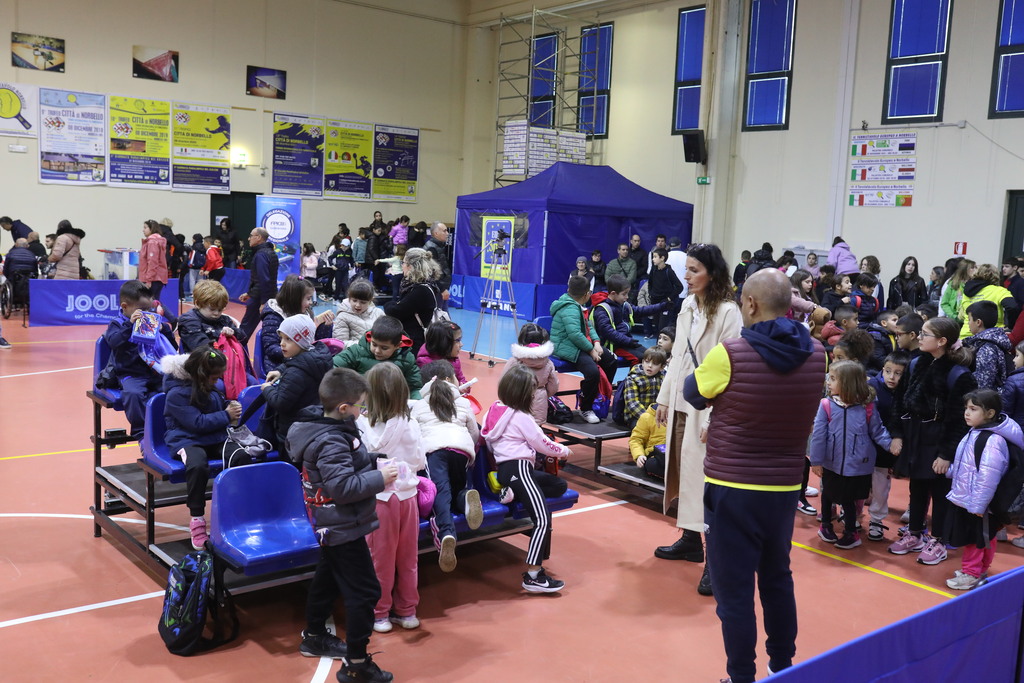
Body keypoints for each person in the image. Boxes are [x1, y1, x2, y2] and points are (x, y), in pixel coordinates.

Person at [683, 268, 826, 683]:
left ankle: (741, 675)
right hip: (784, 487)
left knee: (734, 590)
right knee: (777, 577)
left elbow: (693, 393)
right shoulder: (818, 354)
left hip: (733, 487)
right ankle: (782, 667)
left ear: (750, 304)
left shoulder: (729, 353)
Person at [287, 367, 396, 682]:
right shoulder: (331, 439)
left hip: (333, 522)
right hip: (340, 524)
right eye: (361, 405)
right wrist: (380, 478)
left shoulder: (333, 428)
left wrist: (372, 459)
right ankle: (356, 664)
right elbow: (342, 487)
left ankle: (314, 635)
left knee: (328, 577)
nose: (363, 410)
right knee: (366, 591)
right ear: (344, 407)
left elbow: (343, 468)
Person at [652, 243, 741, 595]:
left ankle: (714, 562)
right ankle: (690, 540)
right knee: (683, 472)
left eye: (694, 270)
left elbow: (731, 368)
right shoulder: (688, 305)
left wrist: (715, 415)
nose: (686, 276)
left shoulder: (729, 312)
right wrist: (664, 397)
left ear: (713, 274)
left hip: (707, 405)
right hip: (681, 400)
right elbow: (677, 355)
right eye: (686, 269)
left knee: (705, 481)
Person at [887, 317, 977, 564]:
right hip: (915, 436)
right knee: (916, 487)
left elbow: (960, 421)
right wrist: (897, 433)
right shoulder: (916, 364)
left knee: (940, 492)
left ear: (942, 341)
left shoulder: (959, 375)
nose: (919, 337)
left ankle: (938, 540)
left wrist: (946, 454)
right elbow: (899, 401)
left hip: (939, 441)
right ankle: (915, 533)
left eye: (925, 334)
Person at [482, 364, 572, 593]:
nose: (533, 394)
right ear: (522, 393)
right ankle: (533, 576)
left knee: (559, 485)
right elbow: (542, 443)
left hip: (508, 470)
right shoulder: (521, 417)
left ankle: (512, 492)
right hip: (519, 469)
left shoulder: (495, 409)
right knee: (542, 520)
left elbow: (489, 443)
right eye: (531, 390)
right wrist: (564, 451)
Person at [359, 363, 425, 633]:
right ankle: (407, 611)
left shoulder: (361, 424)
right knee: (408, 558)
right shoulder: (411, 423)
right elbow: (419, 461)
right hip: (408, 498)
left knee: (380, 559)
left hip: (379, 500)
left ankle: (380, 613)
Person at [161, 348, 242, 549]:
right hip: (186, 439)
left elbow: (214, 408)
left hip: (214, 437)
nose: (218, 381)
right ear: (200, 375)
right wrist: (226, 415)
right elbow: (196, 423)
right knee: (197, 466)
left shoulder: (210, 386)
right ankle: (197, 519)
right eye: (214, 377)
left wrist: (229, 406)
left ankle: (237, 511)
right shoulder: (176, 394)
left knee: (241, 456)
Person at [810, 360, 894, 549]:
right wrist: (816, 460)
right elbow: (818, 436)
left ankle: (851, 532)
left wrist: (891, 445)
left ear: (848, 383)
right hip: (831, 462)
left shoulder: (867, 407)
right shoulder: (826, 405)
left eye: (833, 378)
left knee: (849, 499)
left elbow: (877, 431)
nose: (828, 382)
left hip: (857, 464)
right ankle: (826, 526)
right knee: (827, 494)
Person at [944, 389, 1023, 589]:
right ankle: (980, 569)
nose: (966, 413)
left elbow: (988, 476)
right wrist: (951, 471)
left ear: (990, 413)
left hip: (979, 502)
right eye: (966, 408)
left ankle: (971, 573)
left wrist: (978, 505)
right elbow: (968, 464)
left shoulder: (992, 440)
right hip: (975, 498)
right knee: (986, 535)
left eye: (973, 409)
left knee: (975, 538)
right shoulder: (977, 432)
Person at [412, 360, 483, 572]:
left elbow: (413, 434)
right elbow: (475, 433)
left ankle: (446, 533)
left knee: (440, 492)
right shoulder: (463, 402)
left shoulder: (418, 405)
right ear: (450, 379)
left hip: (435, 451)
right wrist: (469, 451)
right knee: (458, 488)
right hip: (461, 450)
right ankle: (466, 498)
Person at [103, 281, 175, 437]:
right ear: (125, 306)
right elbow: (113, 342)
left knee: (172, 390)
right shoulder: (118, 324)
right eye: (142, 310)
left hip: (155, 372)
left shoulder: (151, 322)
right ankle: (142, 433)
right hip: (131, 374)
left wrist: (165, 330)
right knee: (133, 395)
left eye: (149, 309)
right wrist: (130, 325)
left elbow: (172, 347)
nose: (147, 313)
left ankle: (169, 428)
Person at [262, 314, 336, 460]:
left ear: (302, 341)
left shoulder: (296, 373)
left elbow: (280, 403)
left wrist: (267, 389)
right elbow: (300, 362)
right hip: (313, 428)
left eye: (288, 339)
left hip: (291, 434)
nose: (282, 344)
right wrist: (281, 370)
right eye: (281, 338)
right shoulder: (319, 356)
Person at [550, 275, 618, 424]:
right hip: (566, 347)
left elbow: (588, 327)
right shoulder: (570, 308)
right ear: (587, 294)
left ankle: (598, 395)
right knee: (592, 372)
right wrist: (591, 350)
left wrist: (597, 343)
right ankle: (586, 407)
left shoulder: (577, 305)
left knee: (611, 360)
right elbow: (575, 335)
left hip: (579, 344)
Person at [866, 352, 910, 541]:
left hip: (886, 449)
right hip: (866, 445)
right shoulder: (872, 387)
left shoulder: (906, 393)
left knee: (880, 486)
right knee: (857, 483)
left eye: (898, 373)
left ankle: (876, 520)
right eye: (888, 371)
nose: (892, 377)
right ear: (882, 369)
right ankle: (850, 514)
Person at [333, 315, 424, 398]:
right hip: (360, 401)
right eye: (374, 344)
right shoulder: (356, 351)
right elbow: (333, 367)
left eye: (384, 348)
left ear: (398, 345)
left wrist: (416, 403)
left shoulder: (406, 359)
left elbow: (415, 387)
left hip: (391, 404)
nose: (377, 351)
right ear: (370, 337)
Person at [260, 276, 334, 376]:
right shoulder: (274, 316)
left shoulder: (306, 313)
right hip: (278, 365)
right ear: (295, 299)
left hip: (304, 360)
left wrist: (325, 326)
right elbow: (271, 348)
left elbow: (314, 340)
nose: (311, 302)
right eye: (308, 298)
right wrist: (301, 354)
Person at [591, 274, 665, 366]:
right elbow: (608, 332)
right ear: (613, 293)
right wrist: (628, 341)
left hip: (625, 342)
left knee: (649, 355)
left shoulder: (623, 305)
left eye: (627, 293)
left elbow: (640, 310)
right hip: (613, 345)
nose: (627, 297)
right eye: (624, 294)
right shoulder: (602, 309)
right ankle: (633, 376)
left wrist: (662, 306)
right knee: (639, 359)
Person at [385, 247, 443, 354]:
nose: (402, 265)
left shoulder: (420, 290)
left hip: (413, 341)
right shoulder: (428, 284)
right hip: (415, 336)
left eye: (403, 262)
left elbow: (396, 312)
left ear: (411, 266)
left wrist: (389, 304)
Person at [504, 322, 559, 424]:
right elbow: (553, 386)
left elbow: (504, 383)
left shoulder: (514, 361)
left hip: (516, 400)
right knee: (536, 428)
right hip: (539, 401)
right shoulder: (548, 363)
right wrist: (543, 394)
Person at [176, 280, 247, 353]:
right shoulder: (188, 320)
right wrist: (220, 334)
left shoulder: (224, 320)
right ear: (198, 304)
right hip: (199, 358)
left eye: (220, 309)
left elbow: (243, 339)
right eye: (212, 309)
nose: (216, 313)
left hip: (223, 357)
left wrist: (233, 332)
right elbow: (200, 346)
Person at [238, 228, 279, 342]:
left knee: (244, 331)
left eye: (251, 236)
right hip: (269, 296)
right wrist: (249, 293)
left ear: (259, 237)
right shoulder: (271, 253)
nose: (248, 238)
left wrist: (263, 302)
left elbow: (264, 280)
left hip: (260, 299)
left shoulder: (261, 255)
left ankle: (237, 350)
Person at [962, 300, 1012, 390]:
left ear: (978, 322)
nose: (968, 323)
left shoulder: (987, 348)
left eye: (969, 320)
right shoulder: (990, 340)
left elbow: (983, 385)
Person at [957, 264, 1018, 337]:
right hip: (991, 335)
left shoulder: (967, 291)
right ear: (996, 276)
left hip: (966, 335)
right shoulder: (999, 291)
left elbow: (961, 315)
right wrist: (1010, 326)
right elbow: (1012, 306)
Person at [621, 347, 667, 429]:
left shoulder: (664, 377)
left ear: (662, 367)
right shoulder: (633, 378)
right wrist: (647, 417)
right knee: (646, 429)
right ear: (642, 362)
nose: (650, 366)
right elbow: (632, 403)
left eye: (655, 364)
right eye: (647, 362)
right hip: (636, 416)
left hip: (657, 414)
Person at [415, 320, 468, 386]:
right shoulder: (426, 363)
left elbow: (461, 378)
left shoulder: (454, 359)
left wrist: (464, 385)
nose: (461, 344)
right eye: (458, 340)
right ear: (444, 343)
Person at [333, 278, 384, 344]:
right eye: (354, 301)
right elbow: (340, 344)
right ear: (349, 298)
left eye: (363, 302)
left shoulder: (378, 313)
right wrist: (367, 345)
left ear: (370, 300)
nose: (358, 305)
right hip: (355, 350)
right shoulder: (343, 317)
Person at [646, 247, 684, 332]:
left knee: (662, 326)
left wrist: (669, 298)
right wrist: (651, 293)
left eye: (655, 257)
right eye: (653, 257)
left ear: (662, 258)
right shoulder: (653, 270)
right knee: (656, 325)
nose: (653, 259)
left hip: (665, 303)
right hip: (655, 302)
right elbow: (650, 283)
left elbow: (679, 287)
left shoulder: (669, 271)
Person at [629, 402, 667, 478]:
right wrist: (639, 455)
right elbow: (636, 440)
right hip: (655, 455)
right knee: (652, 464)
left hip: (674, 455)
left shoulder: (680, 417)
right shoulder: (647, 417)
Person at [138, 220, 169, 302]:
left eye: (145, 228)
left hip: (153, 279)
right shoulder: (157, 241)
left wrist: (149, 280)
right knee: (155, 302)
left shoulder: (152, 242)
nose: (143, 230)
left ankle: (167, 312)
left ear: (152, 229)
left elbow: (152, 262)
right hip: (157, 278)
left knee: (149, 303)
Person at [423, 222, 452, 310]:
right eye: (444, 231)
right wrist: (442, 289)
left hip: (439, 288)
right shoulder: (431, 249)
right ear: (436, 233)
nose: (447, 233)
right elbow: (430, 272)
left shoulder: (439, 247)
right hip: (437, 290)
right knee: (440, 315)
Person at [1002, 341, 1024, 429]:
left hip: (1018, 430)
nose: (1014, 360)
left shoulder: (1013, 380)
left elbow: (1005, 411)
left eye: (1017, 355)